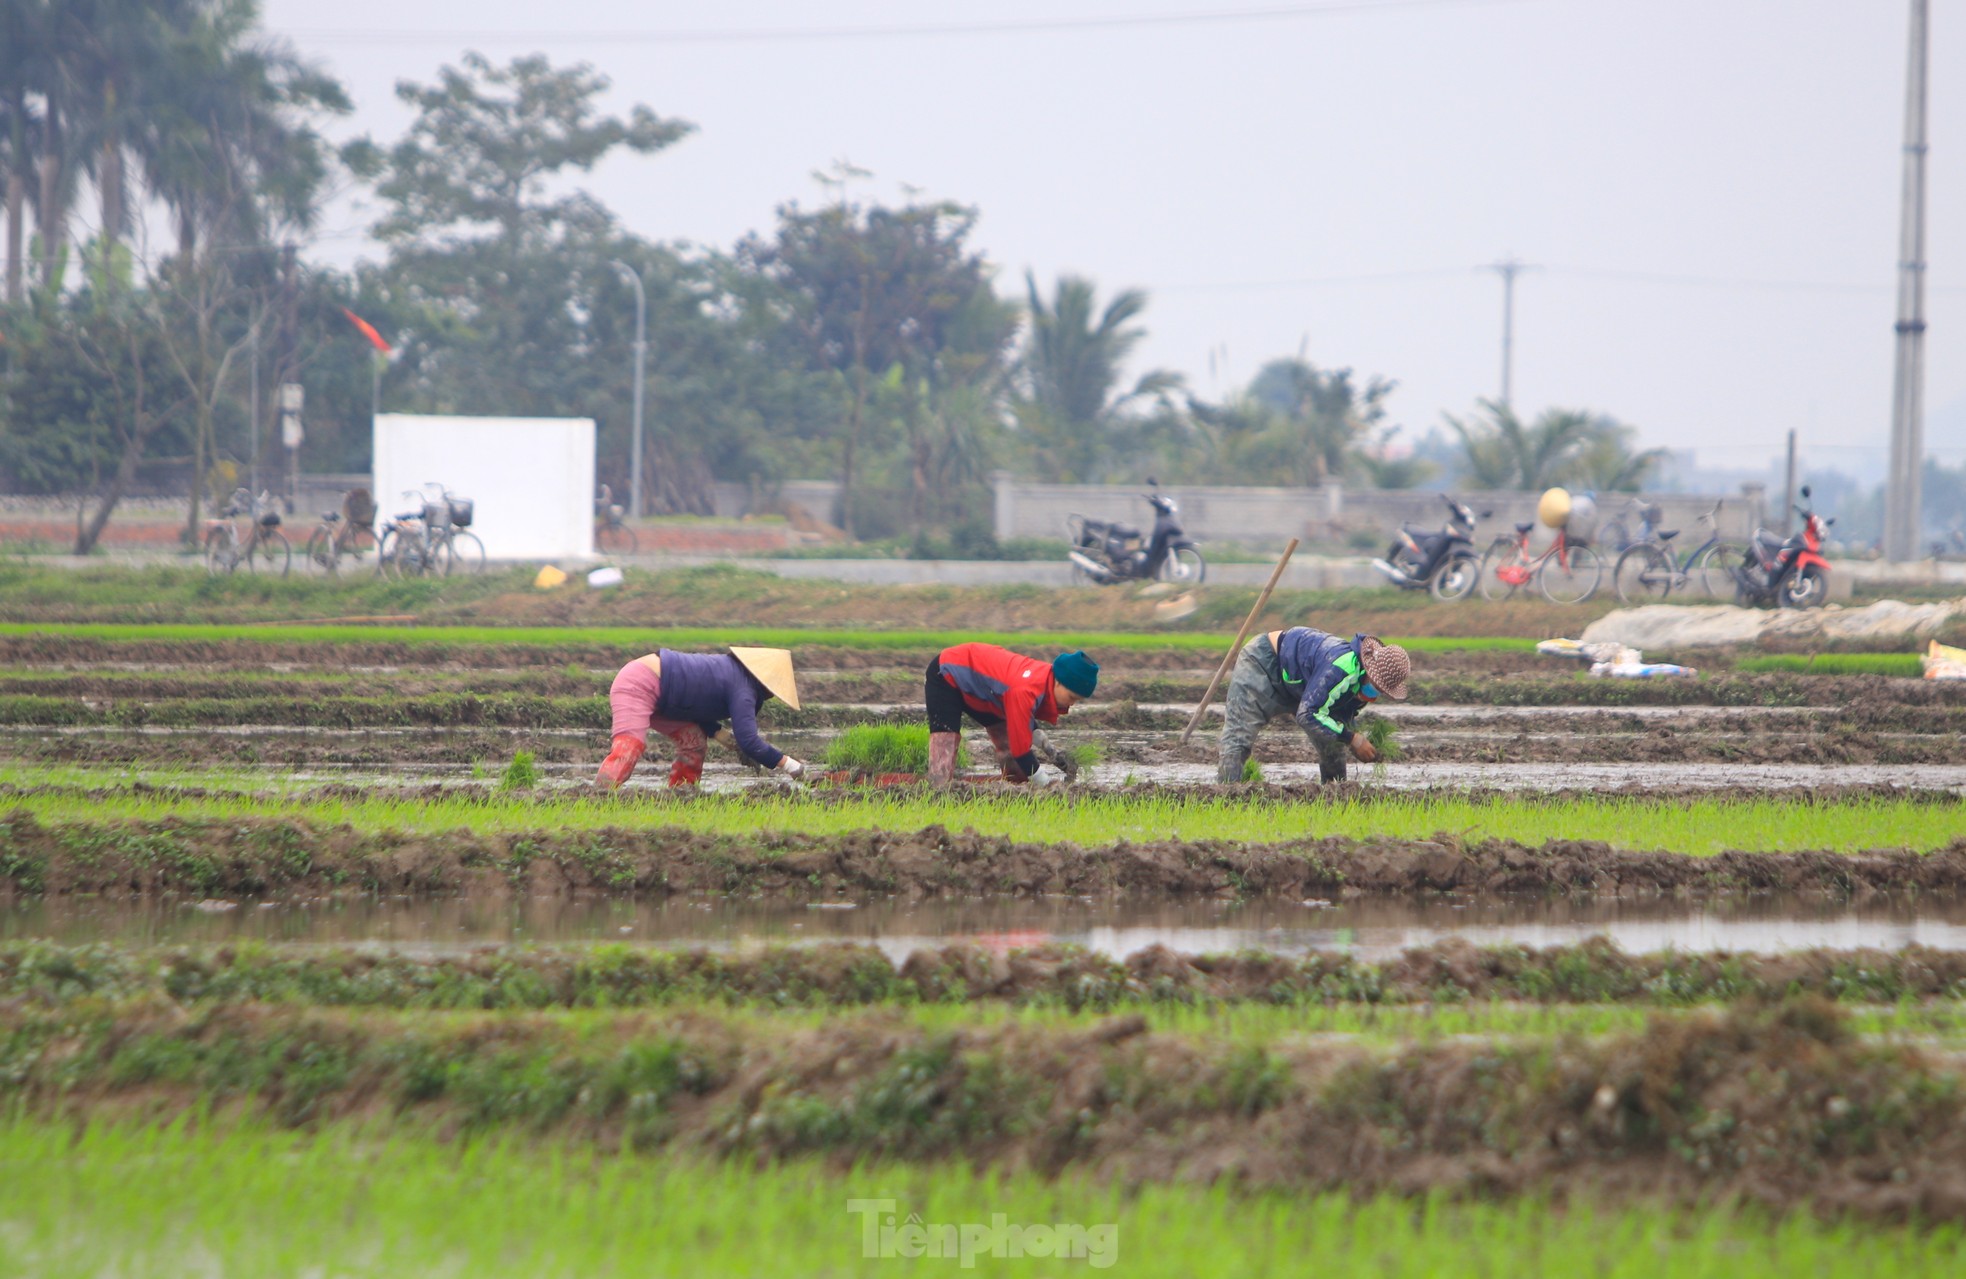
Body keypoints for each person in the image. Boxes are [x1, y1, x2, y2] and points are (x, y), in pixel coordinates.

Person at [1216, 628, 1409, 784]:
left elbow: (1338, 719)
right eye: (1376, 686)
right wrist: (1353, 739)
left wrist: (1359, 743)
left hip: (1301, 685)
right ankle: (1227, 796)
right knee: (1239, 735)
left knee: (1333, 745)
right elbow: (1308, 714)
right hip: (1266, 663)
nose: (1376, 693)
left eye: (1381, 691)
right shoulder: (1341, 669)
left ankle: (1334, 799)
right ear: (1368, 670)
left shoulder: (1360, 686)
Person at [596, 646, 806, 789]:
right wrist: (789, 765)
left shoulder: (734, 675)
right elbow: (749, 741)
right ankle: (599, 796)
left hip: (668, 699)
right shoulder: (743, 688)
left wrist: (715, 731)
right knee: (631, 745)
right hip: (639, 682)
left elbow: (693, 700)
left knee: (694, 742)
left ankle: (681, 796)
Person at [925, 643, 1099, 785]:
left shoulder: (1046, 678)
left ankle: (1013, 790)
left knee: (1013, 759)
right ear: (1059, 682)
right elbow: (1021, 750)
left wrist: (1053, 754)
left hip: (987, 691)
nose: (1072, 704)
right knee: (945, 745)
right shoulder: (1024, 691)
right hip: (947, 672)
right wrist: (1047, 786)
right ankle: (936, 789)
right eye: (1071, 697)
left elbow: (1025, 723)